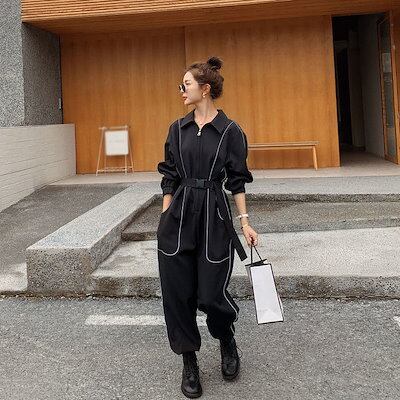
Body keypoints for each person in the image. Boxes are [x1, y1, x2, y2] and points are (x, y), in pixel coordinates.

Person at [157, 56, 258, 398]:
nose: (181, 90)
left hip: (214, 218)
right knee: (178, 294)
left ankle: (226, 337)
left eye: (185, 84)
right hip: (178, 219)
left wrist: (245, 223)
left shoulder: (230, 131)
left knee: (211, 294)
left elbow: (237, 181)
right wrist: (165, 217)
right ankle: (189, 361)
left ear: (205, 88)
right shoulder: (177, 128)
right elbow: (170, 176)